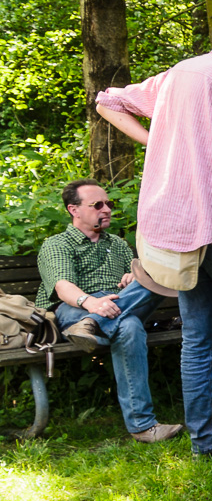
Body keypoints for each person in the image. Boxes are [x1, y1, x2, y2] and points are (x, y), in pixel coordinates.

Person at [96, 3, 212, 457]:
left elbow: (108, 100)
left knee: (197, 340)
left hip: (177, 230)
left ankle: (207, 443)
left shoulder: (180, 73)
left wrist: (160, 142)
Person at [35, 179, 184, 444]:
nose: (106, 210)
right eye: (98, 205)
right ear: (74, 209)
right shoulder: (57, 244)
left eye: (109, 204)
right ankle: (143, 426)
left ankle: (92, 324)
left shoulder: (117, 244)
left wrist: (131, 275)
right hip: (75, 309)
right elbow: (62, 287)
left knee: (154, 276)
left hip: (115, 307)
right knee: (130, 327)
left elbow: (143, 282)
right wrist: (91, 304)